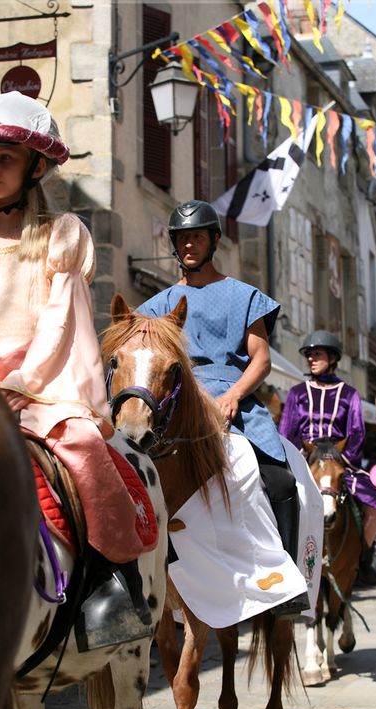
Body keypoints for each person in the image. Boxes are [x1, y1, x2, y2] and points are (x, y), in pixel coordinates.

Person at [0, 91, 152, 651]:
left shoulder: (61, 237)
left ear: (35, 166)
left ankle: (112, 583)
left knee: (81, 449)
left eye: (3, 156)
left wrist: (19, 387)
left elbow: (60, 325)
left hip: (45, 387)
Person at [135, 199, 309, 617]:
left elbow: (261, 359)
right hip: (177, 403)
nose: (189, 244)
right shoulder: (157, 306)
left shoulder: (244, 296)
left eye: (196, 236)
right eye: (182, 238)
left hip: (237, 400)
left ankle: (286, 585)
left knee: (280, 480)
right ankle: (130, 583)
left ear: (214, 240)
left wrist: (232, 396)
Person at [278, 330, 376, 551]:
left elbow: (356, 432)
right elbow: (286, 430)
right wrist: (301, 456)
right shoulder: (297, 392)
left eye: (317, 354)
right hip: (305, 461)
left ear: (333, 358)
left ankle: (361, 556)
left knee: (375, 503)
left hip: (339, 462)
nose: (311, 359)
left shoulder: (349, 394)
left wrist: (341, 459)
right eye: (309, 354)